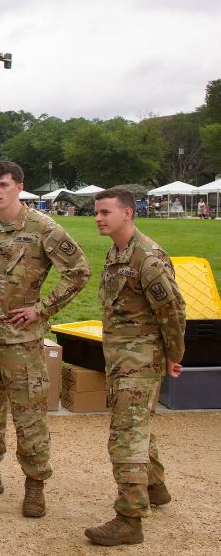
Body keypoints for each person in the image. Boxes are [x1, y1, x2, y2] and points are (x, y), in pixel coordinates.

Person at [0, 161, 90, 517]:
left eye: (3, 184)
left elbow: (79, 271)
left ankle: (35, 484)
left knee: (29, 415)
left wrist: (42, 308)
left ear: (20, 186)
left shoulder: (43, 228)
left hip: (21, 341)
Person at [85, 187, 186, 546]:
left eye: (104, 212)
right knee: (138, 425)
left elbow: (172, 311)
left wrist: (175, 354)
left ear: (127, 213)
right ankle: (155, 488)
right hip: (122, 359)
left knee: (126, 435)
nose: (98, 218)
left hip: (140, 361)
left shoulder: (148, 257)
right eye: (96, 212)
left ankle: (130, 519)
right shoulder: (117, 252)